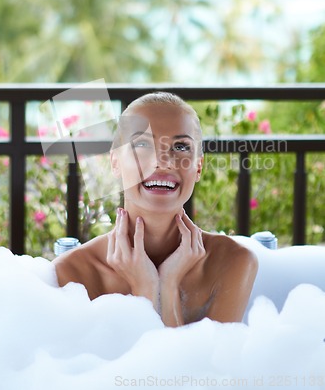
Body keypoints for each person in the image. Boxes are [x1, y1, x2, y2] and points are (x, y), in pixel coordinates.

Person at [54, 92, 258, 327]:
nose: (163, 161)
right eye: (142, 144)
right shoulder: (73, 274)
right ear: (115, 162)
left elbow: (194, 365)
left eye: (180, 146)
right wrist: (146, 287)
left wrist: (168, 284)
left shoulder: (234, 262)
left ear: (198, 167)